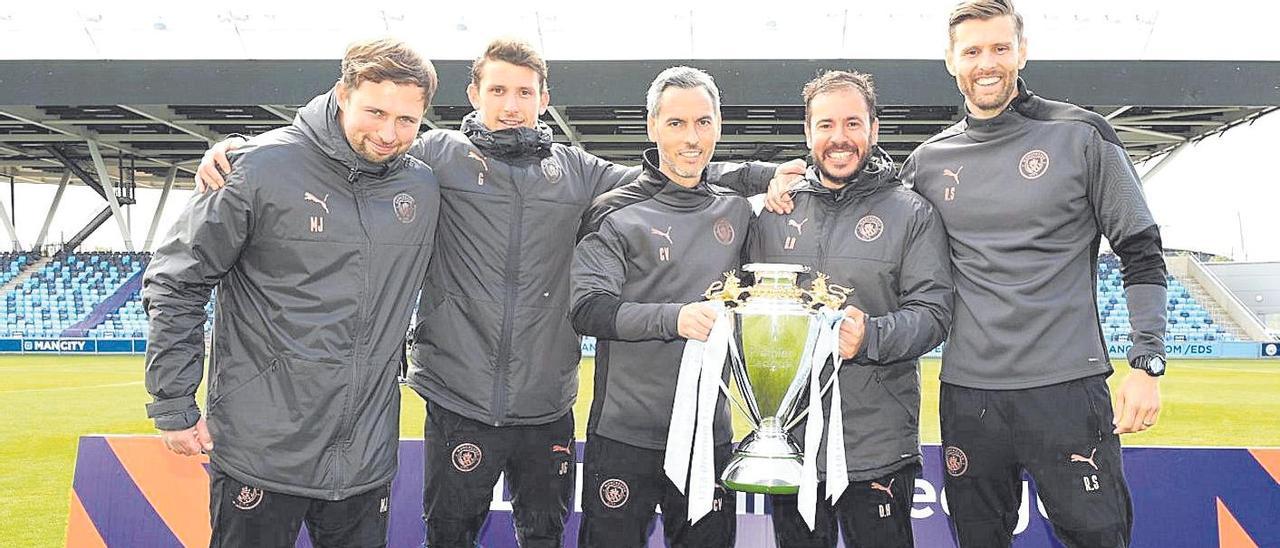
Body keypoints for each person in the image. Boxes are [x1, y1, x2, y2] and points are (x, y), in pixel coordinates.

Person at [193, 38, 800, 547]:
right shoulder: (434, 154)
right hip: (459, 396)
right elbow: (348, 140)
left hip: (547, 400)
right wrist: (241, 149)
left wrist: (760, 174)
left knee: (544, 532)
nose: (512, 106)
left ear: (544, 100)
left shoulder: (578, 171)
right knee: (450, 533)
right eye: (498, 91)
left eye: (525, 92)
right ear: (474, 96)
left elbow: (673, 169)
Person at [143, 38, 440, 547]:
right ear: (343, 93)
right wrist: (172, 401)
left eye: (407, 121)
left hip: (364, 459)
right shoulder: (255, 168)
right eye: (375, 112)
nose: (389, 133)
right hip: (262, 452)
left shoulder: (424, 185)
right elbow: (177, 281)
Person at [900, 1, 1167, 546]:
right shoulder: (927, 162)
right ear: (950, 61)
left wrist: (1147, 361)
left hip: (1067, 389)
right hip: (970, 396)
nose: (987, 62)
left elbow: (1141, 248)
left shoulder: (1082, 134)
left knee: (1098, 538)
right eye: (972, 51)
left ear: (1022, 51)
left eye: (1000, 47)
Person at [750, 70, 953, 547]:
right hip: (792, 446)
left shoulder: (912, 212)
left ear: (873, 129)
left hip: (877, 448)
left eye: (852, 123)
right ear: (808, 132)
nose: (838, 138)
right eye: (825, 125)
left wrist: (873, 337)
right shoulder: (775, 213)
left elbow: (935, 311)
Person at [570, 66, 747, 547]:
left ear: (718, 125)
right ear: (652, 127)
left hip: (706, 438)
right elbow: (589, 309)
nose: (692, 138)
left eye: (703, 122)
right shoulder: (613, 211)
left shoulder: (738, 209)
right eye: (676, 123)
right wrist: (675, 318)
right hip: (625, 434)